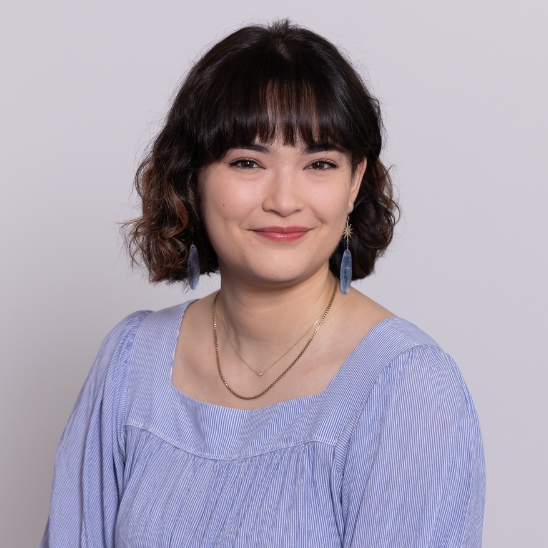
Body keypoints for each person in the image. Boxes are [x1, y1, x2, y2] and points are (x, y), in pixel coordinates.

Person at [40, 19, 485, 547]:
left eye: (320, 163)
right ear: (192, 178)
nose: (284, 200)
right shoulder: (129, 362)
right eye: (248, 162)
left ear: (354, 183)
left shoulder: (407, 390)